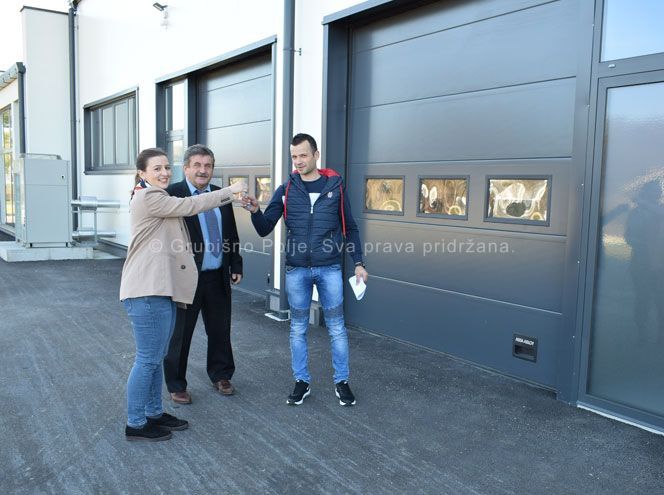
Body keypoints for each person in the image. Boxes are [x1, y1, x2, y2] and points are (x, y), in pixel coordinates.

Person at [119, 148, 245, 441]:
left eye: (166, 167)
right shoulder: (149, 197)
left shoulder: (156, 196)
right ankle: (136, 423)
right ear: (142, 173)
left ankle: (153, 413)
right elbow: (191, 205)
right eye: (156, 169)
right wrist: (230, 192)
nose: (164, 173)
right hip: (146, 290)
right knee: (147, 360)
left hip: (161, 288)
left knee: (156, 357)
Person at [241, 133, 368, 406]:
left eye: (303, 155)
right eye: (294, 156)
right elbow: (264, 227)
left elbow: (350, 228)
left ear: (316, 155)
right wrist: (255, 211)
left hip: (329, 268)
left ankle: (342, 382)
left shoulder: (335, 187)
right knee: (298, 328)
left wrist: (358, 263)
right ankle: (302, 381)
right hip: (297, 270)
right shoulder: (286, 189)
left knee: (336, 328)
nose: (298, 161)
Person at [164, 144, 243, 404]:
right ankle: (176, 383)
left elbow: (230, 232)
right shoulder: (172, 194)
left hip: (217, 276)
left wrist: (235, 264)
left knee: (220, 329)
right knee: (180, 334)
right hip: (186, 278)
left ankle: (221, 374)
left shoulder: (221, 195)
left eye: (207, 165)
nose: (202, 170)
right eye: (197, 165)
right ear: (186, 168)